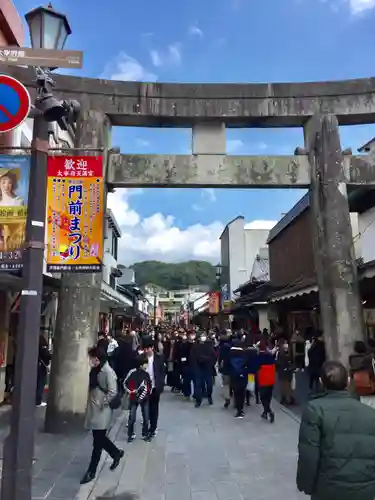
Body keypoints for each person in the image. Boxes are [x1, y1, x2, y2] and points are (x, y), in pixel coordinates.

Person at [297, 360, 375, 500]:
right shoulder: (370, 413)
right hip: (365, 487)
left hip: (328, 487)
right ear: (348, 381)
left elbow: (309, 453)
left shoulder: (315, 410)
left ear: (321, 382)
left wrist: (305, 485)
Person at [81, 346, 124, 485]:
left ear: (97, 359)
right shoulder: (97, 369)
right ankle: (116, 453)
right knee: (99, 439)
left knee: (98, 441)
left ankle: (91, 471)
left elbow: (112, 391)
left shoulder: (107, 371)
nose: (90, 361)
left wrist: (102, 403)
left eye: (92, 358)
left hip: (102, 411)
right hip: (95, 409)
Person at [123, 353, 152, 442]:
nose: (147, 365)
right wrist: (131, 391)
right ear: (140, 365)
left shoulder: (146, 374)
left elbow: (149, 385)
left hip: (144, 398)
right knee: (132, 417)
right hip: (134, 398)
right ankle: (131, 434)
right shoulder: (133, 374)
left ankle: (145, 433)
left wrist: (148, 392)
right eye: (145, 363)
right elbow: (126, 384)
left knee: (146, 417)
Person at [142, 336, 165, 438]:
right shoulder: (141, 358)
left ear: (152, 348)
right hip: (144, 388)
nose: (146, 351)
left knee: (154, 409)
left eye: (148, 348)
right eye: (145, 349)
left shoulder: (159, 358)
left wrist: (161, 383)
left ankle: (153, 427)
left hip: (155, 387)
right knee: (145, 409)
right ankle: (146, 428)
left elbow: (162, 372)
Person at [191, 332, 216, 408]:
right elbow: (192, 357)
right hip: (199, 368)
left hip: (208, 368)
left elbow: (214, 355)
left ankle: (209, 396)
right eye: (201, 336)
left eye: (204, 336)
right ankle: (198, 400)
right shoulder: (195, 346)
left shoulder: (209, 345)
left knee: (209, 385)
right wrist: (194, 367)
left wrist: (212, 364)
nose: (203, 337)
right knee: (198, 385)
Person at [228, 337, 249, 418]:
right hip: (243, 375)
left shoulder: (230, 353)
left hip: (233, 375)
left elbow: (227, 365)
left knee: (236, 393)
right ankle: (241, 409)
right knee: (242, 392)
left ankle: (238, 409)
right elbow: (248, 365)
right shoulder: (244, 353)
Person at [257, 340, 276, 423]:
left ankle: (269, 411)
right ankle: (265, 412)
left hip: (263, 379)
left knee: (262, 397)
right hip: (271, 379)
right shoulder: (270, 355)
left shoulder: (259, 357)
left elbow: (255, 367)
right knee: (268, 397)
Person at [36, 334, 51, 407]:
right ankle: (38, 401)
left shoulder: (36, 348)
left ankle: (37, 400)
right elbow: (47, 357)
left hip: (37, 368)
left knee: (37, 384)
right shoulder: (43, 349)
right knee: (41, 384)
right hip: (42, 368)